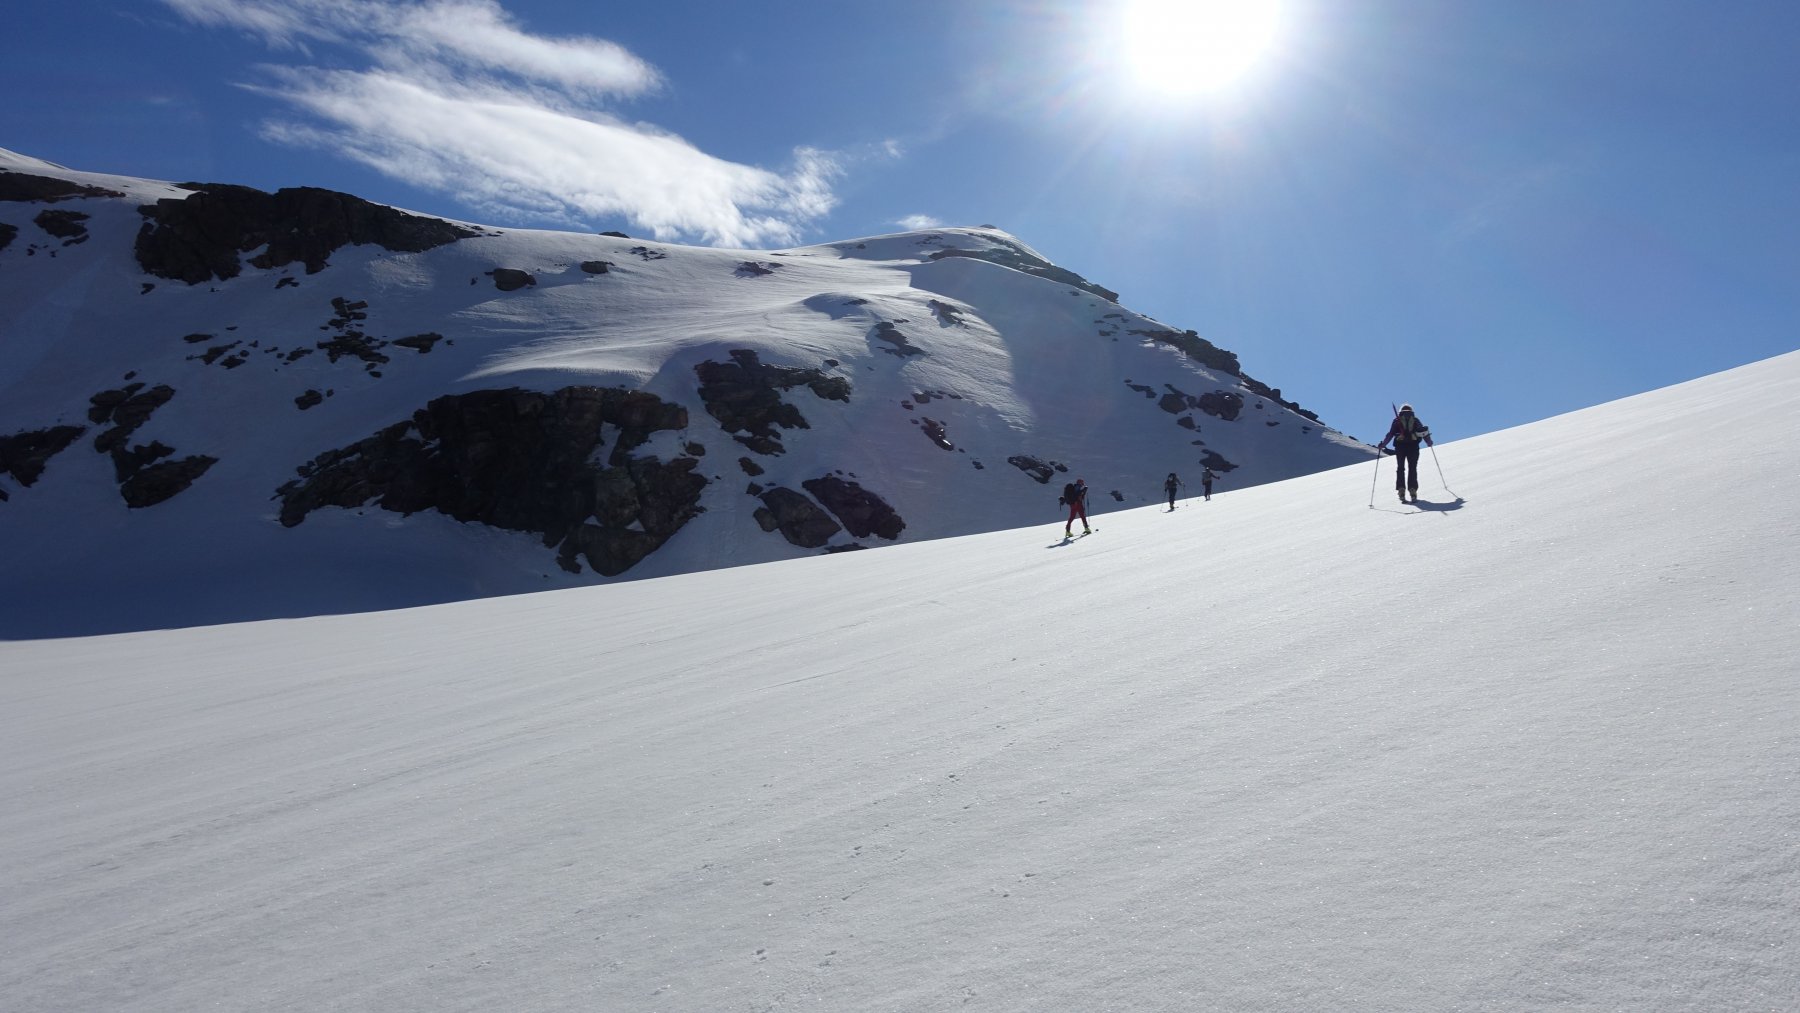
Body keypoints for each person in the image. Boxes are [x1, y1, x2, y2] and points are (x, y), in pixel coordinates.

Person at [1377, 403, 1433, 502]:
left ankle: (1401, 489)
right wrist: (1429, 442)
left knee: (1400, 468)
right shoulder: (1415, 420)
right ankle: (1412, 490)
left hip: (1400, 447)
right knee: (1412, 468)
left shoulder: (1397, 420)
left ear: (1400, 411)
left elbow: (1390, 434)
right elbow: (1423, 432)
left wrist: (1383, 444)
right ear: (1411, 410)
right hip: (1413, 446)